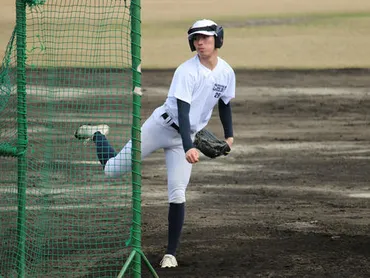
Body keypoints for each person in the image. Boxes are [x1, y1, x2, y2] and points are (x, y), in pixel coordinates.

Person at [74, 19, 236, 268]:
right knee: (112, 170)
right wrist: (188, 147)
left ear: (218, 39)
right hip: (161, 126)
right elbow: (182, 113)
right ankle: (98, 134)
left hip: (187, 136)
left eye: (205, 37)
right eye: (196, 39)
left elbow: (225, 104)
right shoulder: (186, 71)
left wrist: (229, 136)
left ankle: (170, 253)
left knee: (177, 192)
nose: (200, 42)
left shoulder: (226, 72)